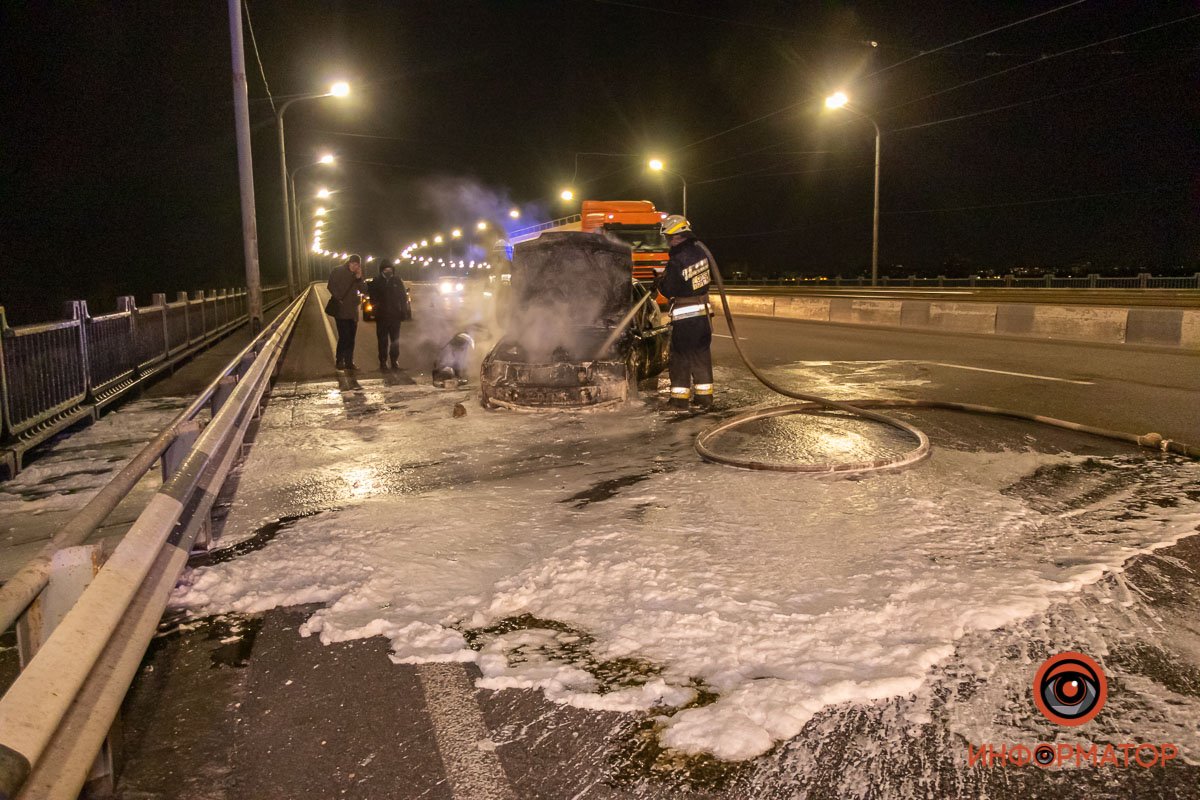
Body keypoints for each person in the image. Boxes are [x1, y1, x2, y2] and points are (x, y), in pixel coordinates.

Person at [656, 215, 714, 410]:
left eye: (668, 237)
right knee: (701, 356)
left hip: (686, 317)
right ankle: (704, 399)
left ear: (675, 236)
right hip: (704, 316)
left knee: (680, 357)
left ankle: (679, 401)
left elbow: (670, 289)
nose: (668, 242)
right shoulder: (701, 254)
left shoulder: (677, 260)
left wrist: (660, 283)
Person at [367, 262, 411, 370]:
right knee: (382, 340)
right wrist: (375, 307)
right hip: (381, 316)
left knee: (395, 340)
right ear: (382, 270)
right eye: (386, 269)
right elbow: (371, 296)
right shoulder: (376, 281)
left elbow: (403, 298)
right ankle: (383, 361)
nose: (388, 271)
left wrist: (404, 312)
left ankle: (394, 360)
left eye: (390, 269)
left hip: (395, 316)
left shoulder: (397, 281)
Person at [326, 254, 365, 370]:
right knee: (344, 336)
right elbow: (330, 286)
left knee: (351, 338)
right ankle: (340, 360)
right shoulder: (337, 271)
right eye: (353, 263)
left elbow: (364, 290)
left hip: (353, 312)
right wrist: (338, 298)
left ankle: (349, 362)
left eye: (357, 264)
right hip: (341, 310)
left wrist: (359, 278)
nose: (355, 266)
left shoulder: (357, 274)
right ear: (349, 262)